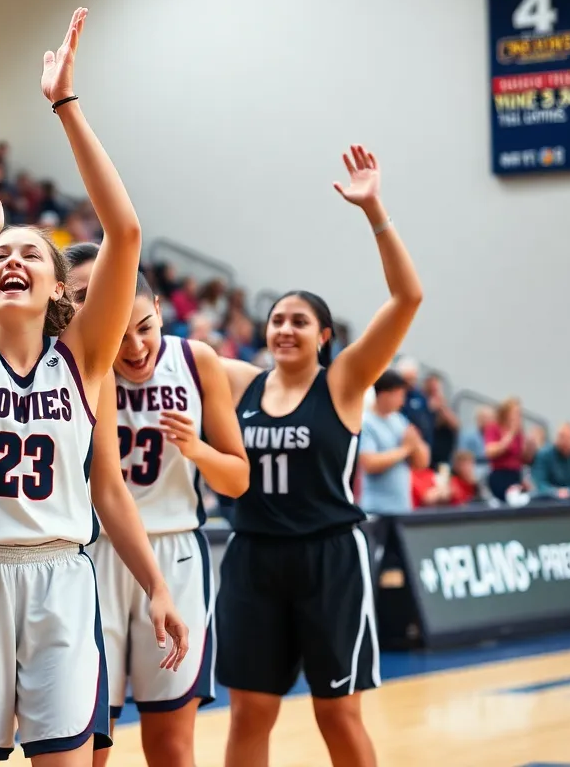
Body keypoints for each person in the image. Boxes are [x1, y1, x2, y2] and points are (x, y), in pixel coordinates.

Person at [0, 9, 160, 765]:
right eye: (1, 257)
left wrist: (65, 104)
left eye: (33, 253)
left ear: (62, 286)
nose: (14, 260)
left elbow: (124, 233)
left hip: (61, 575)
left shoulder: (84, 357)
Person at [215, 146, 422, 767]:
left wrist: (374, 210)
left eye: (300, 321)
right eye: (277, 319)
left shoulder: (345, 380)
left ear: (324, 336)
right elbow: (145, 343)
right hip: (252, 556)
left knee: (338, 713)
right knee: (250, 711)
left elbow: (407, 297)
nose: (284, 329)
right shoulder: (234, 380)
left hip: (328, 555)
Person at [90, 270, 248, 764]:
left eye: (145, 327)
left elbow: (236, 480)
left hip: (176, 551)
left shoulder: (195, 360)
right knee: (91, 738)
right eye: (119, 333)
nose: (135, 346)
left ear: (160, 309)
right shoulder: (82, 364)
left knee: (172, 745)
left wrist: (197, 448)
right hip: (96, 554)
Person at [358, 370, 429, 516]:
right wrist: (405, 449)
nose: (402, 401)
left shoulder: (399, 420)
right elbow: (369, 464)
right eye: (399, 395)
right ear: (385, 394)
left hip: (402, 507)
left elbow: (422, 462)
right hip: (376, 509)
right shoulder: (366, 422)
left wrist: (415, 447)